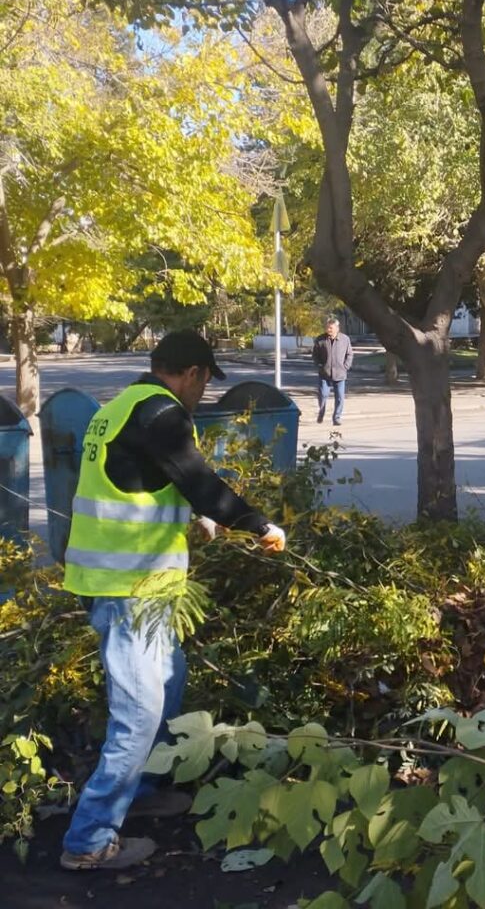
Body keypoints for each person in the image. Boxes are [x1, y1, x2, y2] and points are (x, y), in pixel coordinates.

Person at [60, 330, 287, 872]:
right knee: (138, 716)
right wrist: (256, 524)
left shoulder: (122, 406)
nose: (203, 393)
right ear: (193, 374)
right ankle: (89, 839)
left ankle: (140, 791)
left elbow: (133, 479)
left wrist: (193, 515)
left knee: (169, 677)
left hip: (133, 587)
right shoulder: (162, 413)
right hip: (130, 592)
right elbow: (197, 477)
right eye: (204, 383)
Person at [312, 316, 354, 426]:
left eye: (331, 328)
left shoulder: (345, 339)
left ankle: (337, 417)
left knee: (340, 397)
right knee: (323, 395)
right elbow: (315, 355)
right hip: (324, 374)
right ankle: (321, 412)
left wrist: (346, 366)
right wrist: (319, 365)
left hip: (340, 374)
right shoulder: (320, 340)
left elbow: (349, 354)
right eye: (327, 327)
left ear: (337, 328)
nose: (328, 330)